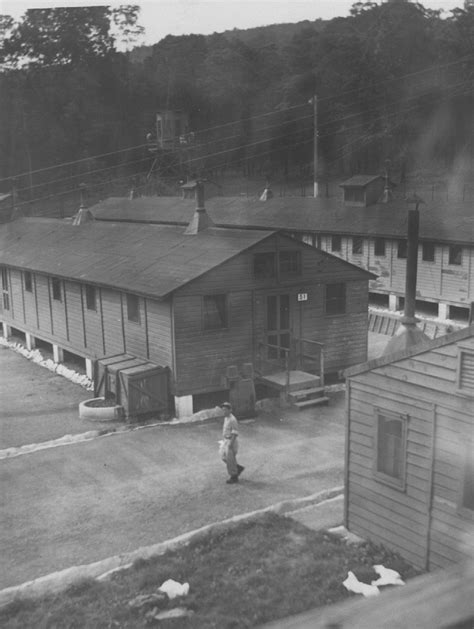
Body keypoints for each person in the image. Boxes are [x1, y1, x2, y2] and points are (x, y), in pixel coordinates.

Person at [221, 402, 244, 484]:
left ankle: (234, 476)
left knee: (230, 459)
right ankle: (237, 467)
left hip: (231, 441)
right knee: (223, 457)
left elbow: (235, 433)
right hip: (226, 440)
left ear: (230, 410)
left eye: (225, 410)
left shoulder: (232, 419)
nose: (224, 412)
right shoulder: (226, 418)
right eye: (223, 410)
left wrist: (231, 443)